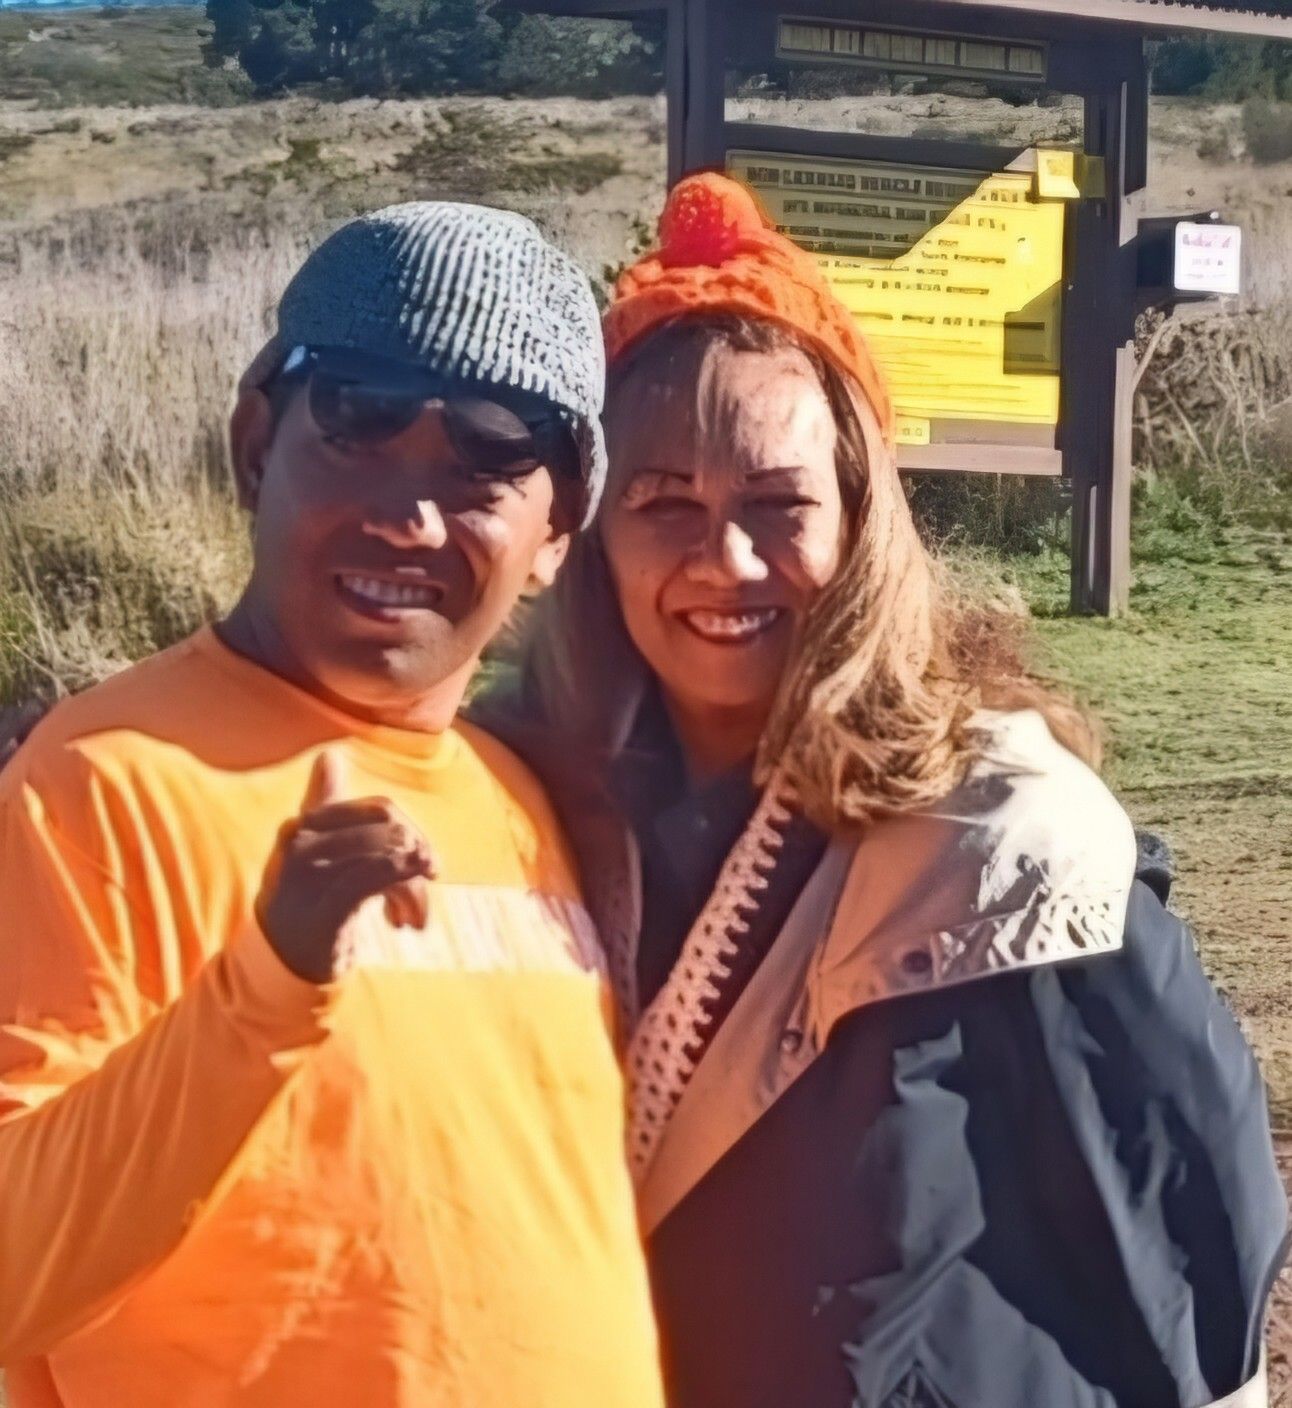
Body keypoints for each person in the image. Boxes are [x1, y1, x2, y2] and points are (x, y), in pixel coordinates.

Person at [478, 174, 1289, 1408]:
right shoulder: (505, 803)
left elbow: (1189, 1231)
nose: (726, 559)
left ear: (860, 516)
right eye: (663, 503)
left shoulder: (1005, 835)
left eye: (776, 502)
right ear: (590, 531)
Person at [0, 202, 665, 1408]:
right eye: (356, 427)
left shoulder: (524, 798)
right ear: (257, 441)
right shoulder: (98, 781)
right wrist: (267, 978)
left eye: (488, 460)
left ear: (559, 529)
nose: (408, 516)